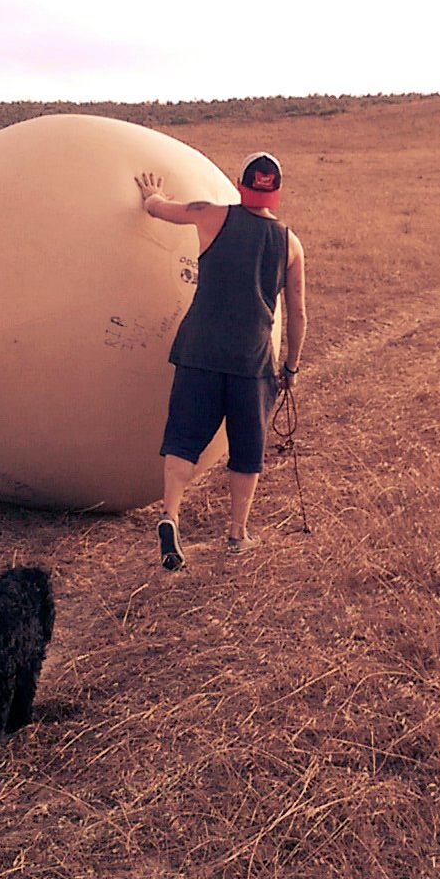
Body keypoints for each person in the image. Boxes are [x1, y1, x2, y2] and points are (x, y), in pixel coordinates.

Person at [134, 152, 306, 569]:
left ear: (238, 183)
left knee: (183, 439)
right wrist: (291, 368)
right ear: (277, 193)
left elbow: (158, 209)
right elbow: (298, 313)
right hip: (253, 363)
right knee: (247, 451)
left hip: (199, 352)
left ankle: (170, 514)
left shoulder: (210, 215)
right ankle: (237, 534)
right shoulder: (290, 243)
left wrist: (152, 196)